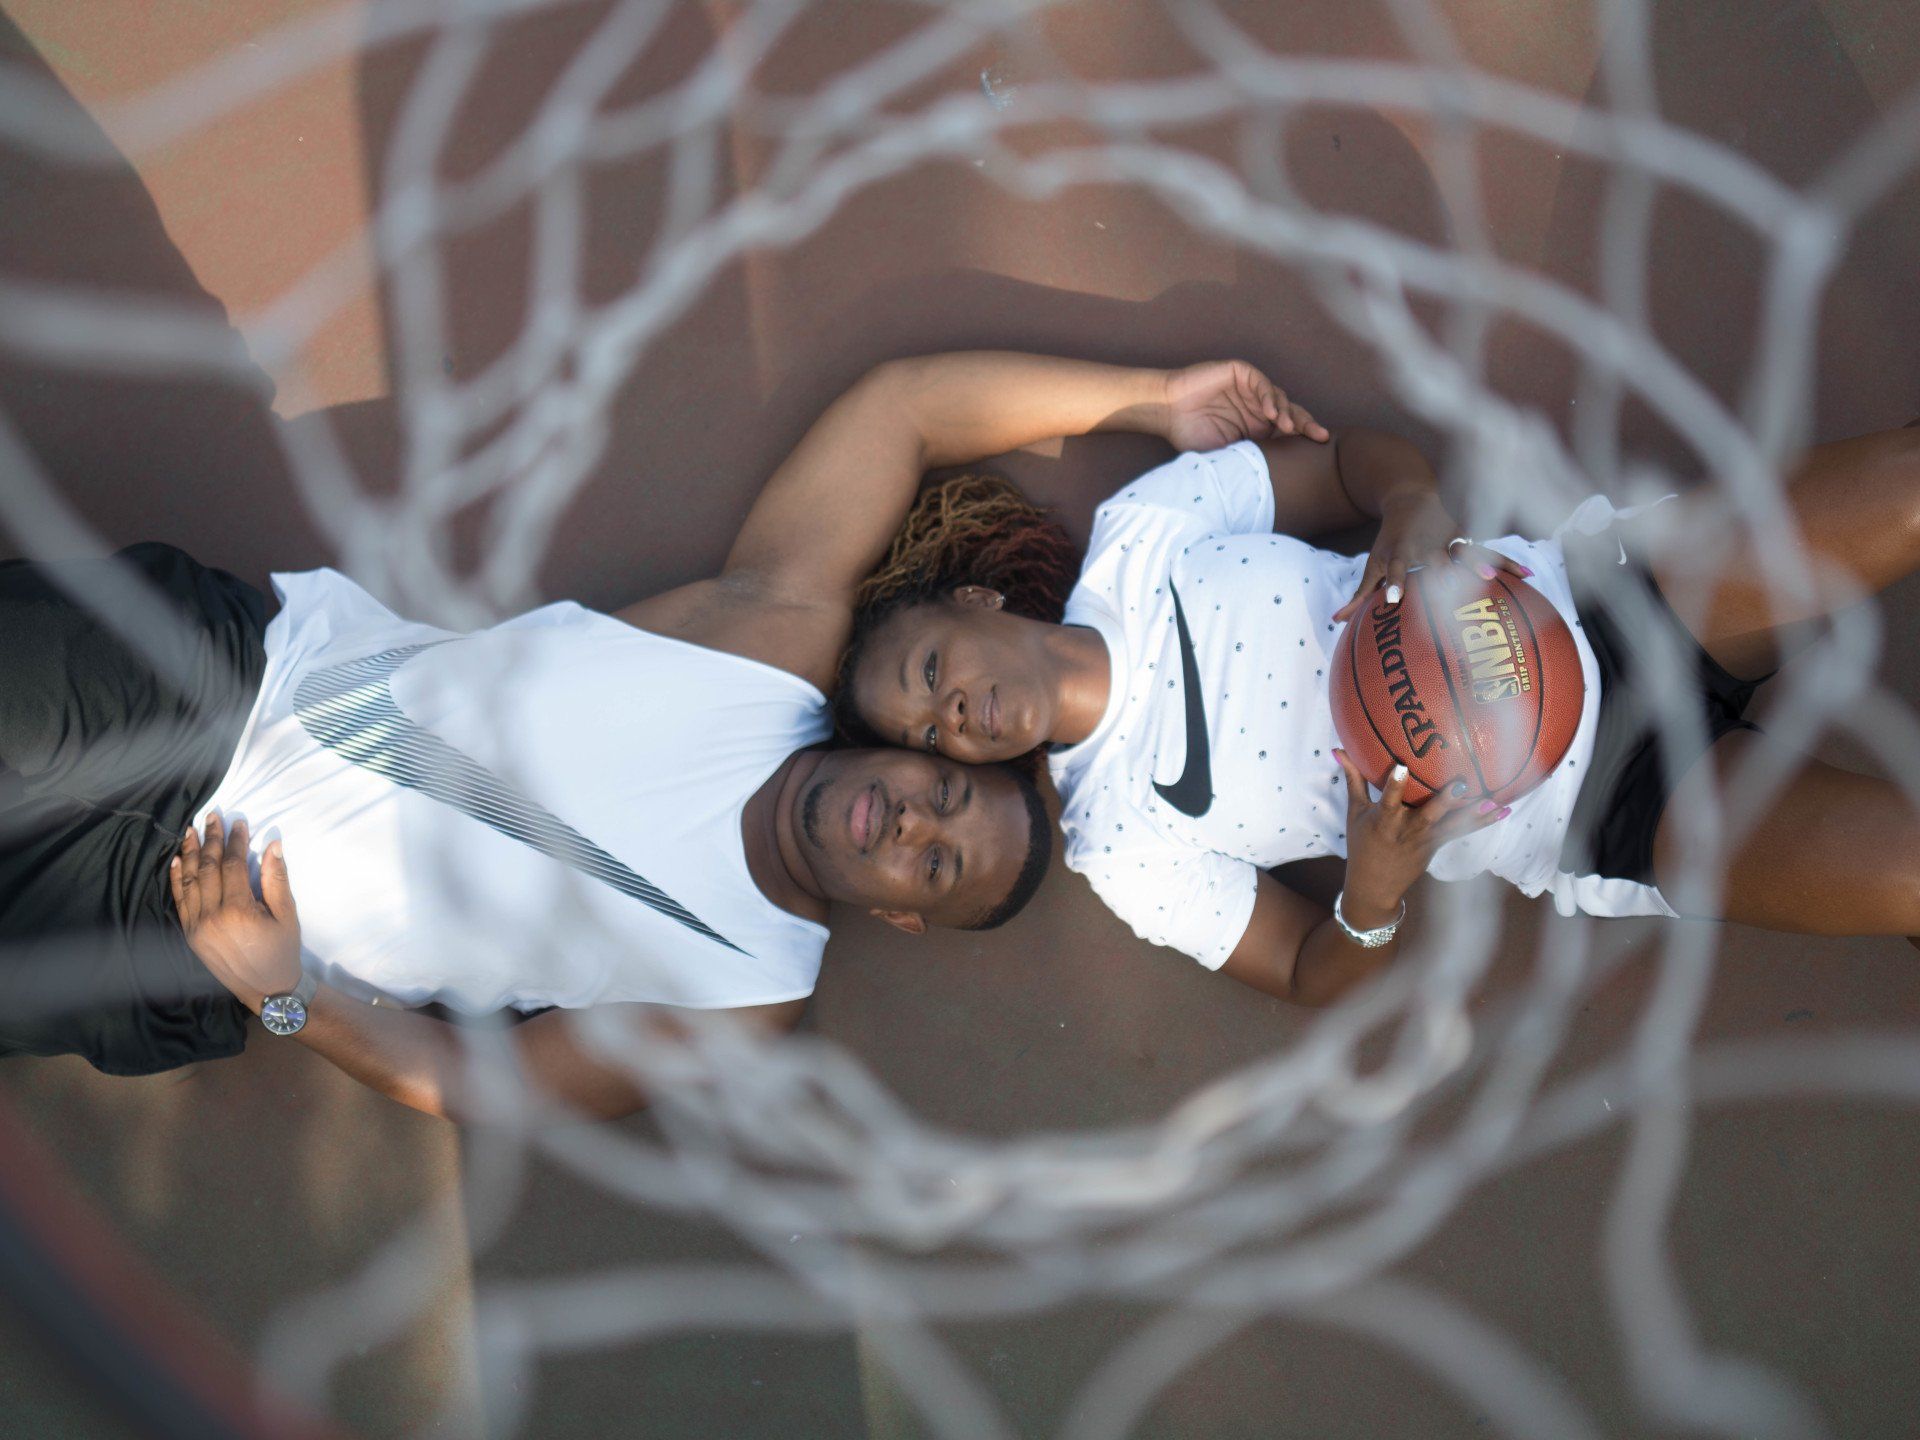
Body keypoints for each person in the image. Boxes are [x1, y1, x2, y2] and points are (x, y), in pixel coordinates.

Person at [3, 351, 1303, 1118]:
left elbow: (482, 1089)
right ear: (919, 750)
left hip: (188, 946)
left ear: (905, 913)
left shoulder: (742, 996)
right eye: (945, 800)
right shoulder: (770, 644)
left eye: (937, 868)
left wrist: (285, 993)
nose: (915, 828)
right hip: (222, 686)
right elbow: (902, 409)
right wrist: (1149, 397)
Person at [840, 381, 1920, 1005]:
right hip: (1595, 811)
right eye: (934, 735)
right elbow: (1310, 975)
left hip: (1593, 603)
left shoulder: (1141, 537)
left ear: (975, 601)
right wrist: (1373, 892)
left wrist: (1408, 505)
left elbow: (1360, 466)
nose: (958, 714)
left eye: (933, 671)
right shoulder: (1117, 841)